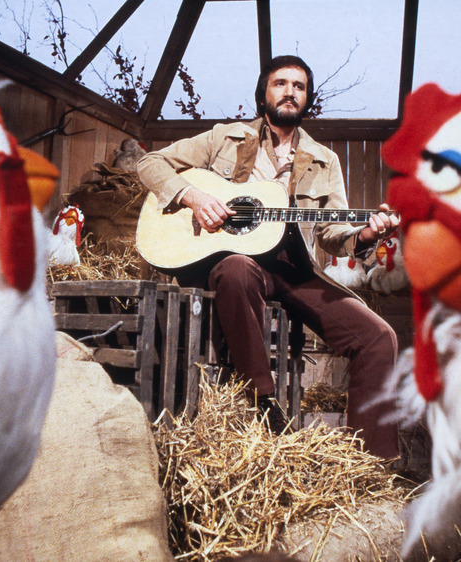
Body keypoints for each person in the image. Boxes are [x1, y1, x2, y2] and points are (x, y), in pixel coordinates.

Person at [136, 55, 399, 459]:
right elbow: (149, 162)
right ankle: (262, 401)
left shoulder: (324, 161)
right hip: (232, 260)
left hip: (293, 268)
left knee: (379, 338)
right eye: (281, 83)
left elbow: (330, 233)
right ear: (263, 93)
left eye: (299, 86)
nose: (290, 92)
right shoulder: (225, 138)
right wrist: (194, 196)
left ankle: (374, 464)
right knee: (237, 268)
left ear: (308, 98)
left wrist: (363, 235)